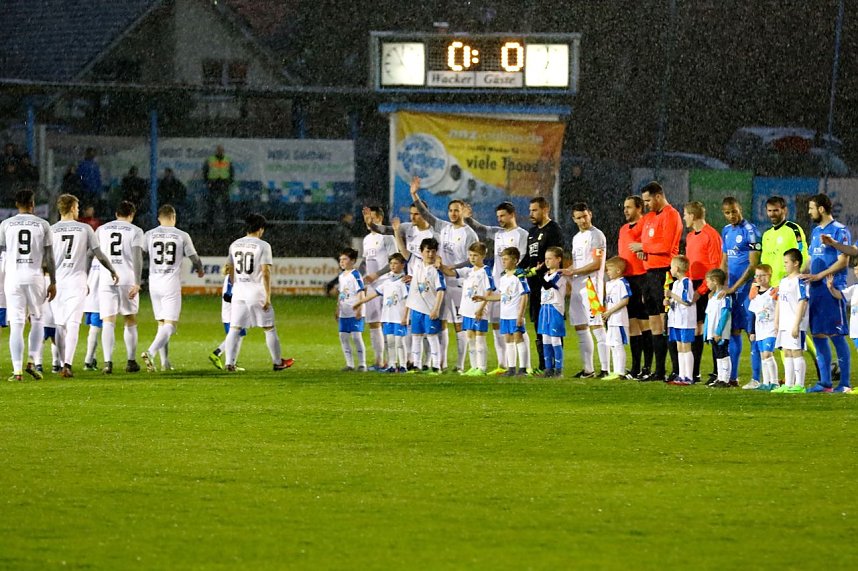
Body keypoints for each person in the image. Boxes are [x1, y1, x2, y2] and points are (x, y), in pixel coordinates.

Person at [411, 175, 478, 372]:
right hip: (441, 283)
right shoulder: (444, 228)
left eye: (456, 210)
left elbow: (471, 259)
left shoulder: (469, 234)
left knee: (459, 325)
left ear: (463, 212)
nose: (452, 213)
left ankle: (459, 365)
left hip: (458, 284)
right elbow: (426, 214)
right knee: (440, 324)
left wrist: (452, 270)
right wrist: (414, 194)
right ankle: (441, 363)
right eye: (450, 210)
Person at [50, 194, 118, 378]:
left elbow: (45, 259)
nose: (79, 210)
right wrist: (112, 270)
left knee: (59, 325)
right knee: (73, 324)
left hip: (57, 283)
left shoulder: (51, 229)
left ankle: (56, 362)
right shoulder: (85, 229)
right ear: (72, 208)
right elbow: (99, 254)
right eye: (77, 207)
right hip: (77, 282)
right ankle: (67, 365)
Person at [223, 213, 294, 372]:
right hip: (256, 291)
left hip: (239, 292)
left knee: (235, 328)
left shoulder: (235, 244)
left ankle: (229, 363)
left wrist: (234, 286)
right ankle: (277, 362)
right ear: (261, 229)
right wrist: (268, 296)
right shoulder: (263, 246)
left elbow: (229, 268)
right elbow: (266, 271)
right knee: (269, 328)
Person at [465, 203, 530, 374]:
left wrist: (513, 275)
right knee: (498, 326)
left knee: (518, 327)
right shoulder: (498, 233)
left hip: (512, 285)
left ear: (512, 215)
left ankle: (526, 365)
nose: (499, 219)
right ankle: (503, 365)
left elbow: (521, 257)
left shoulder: (522, 234)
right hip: (498, 285)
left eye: (502, 216)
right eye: (498, 216)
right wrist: (468, 218)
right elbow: (481, 228)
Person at [139, 205, 205, 373]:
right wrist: (199, 268)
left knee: (162, 323)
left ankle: (165, 362)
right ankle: (150, 352)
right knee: (171, 325)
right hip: (170, 283)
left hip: (154, 282)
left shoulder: (150, 234)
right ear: (173, 217)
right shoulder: (182, 235)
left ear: (159, 218)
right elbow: (194, 257)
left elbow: (140, 252)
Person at [628, 181, 683, 381]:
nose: (647, 204)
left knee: (666, 322)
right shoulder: (650, 218)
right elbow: (650, 244)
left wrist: (643, 247)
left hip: (664, 272)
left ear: (658, 196)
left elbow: (666, 245)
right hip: (649, 274)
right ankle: (658, 371)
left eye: (648, 200)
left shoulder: (672, 215)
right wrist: (644, 252)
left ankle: (678, 370)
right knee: (654, 323)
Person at [0, 190, 57, 381]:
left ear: (17, 204)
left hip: (13, 278)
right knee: (37, 319)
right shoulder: (43, 224)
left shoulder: (5, 225)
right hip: (35, 277)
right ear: (33, 204)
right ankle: (32, 361)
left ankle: (17, 372)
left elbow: (2, 253)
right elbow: (49, 256)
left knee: (16, 324)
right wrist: (53, 282)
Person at [801, 194, 852, 393]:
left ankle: (845, 383)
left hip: (832, 288)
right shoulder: (815, 232)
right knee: (819, 335)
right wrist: (798, 273)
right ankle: (825, 383)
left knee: (836, 335)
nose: (809, 211)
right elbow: (812, 258)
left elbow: (843, 261)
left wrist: (819, 276)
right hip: (815, 290)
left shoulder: (839, 231)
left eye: (811, 208)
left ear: (821, 209)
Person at [96, 201, 145, 374]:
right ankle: (131, 361)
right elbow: (138, 257)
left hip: (107, 278)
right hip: (127, 278)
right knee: (129, 319)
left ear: (116, 213)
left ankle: (107, 363)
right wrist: (138, 282)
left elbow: (94, 252)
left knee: (108, 321)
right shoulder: (136, 231)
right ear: (132, 215)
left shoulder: (102, 229)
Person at [561, 202, 608, 378]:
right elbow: (579, 263)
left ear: (590, 214)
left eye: (585, 216)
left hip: (591, 286)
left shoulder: (597, 236)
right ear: (574, 219)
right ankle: (588, 369)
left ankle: (605, 369)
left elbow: (596, 264)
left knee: (597, 325)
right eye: (578, 218)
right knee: (581, 326)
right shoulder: (576, 238)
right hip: (577, 286)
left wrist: (574, 271)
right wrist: (567, 271)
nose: (582, 220)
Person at [719, 197, 761, 386]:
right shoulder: (726, 231)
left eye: (734, 211)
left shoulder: (751, 231)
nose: (731, 216)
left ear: (740, 209)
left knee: (752, 333)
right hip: (731, 290)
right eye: (727, 213)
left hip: (747, 290)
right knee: (734, 331)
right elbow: (724, 260)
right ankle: (733, 378)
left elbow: (753, 265)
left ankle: (756, 378)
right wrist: (721, 284)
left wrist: (734, 288)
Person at [523, 196, 564, 374]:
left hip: (548, 286)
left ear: (545, 209)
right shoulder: (532, 232)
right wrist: (518, 269)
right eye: (530, 210)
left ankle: (556, 366)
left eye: (534, 210)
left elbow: (555, 258)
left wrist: (540, 273)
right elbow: (528, 257)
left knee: (552, 328)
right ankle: (544, 365)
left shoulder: (553, 230)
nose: (531, 214)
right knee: (539, 325)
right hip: (534, 285)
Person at [683, 201, 723, 383]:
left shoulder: (711, 235)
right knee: (697, 329)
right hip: (694, 284)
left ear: (692, 215)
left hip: (706, 286)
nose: (684, 218)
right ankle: (695, 372)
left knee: (712, 329)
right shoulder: (691, 236)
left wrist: (704, 289)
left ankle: (718, 372)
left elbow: (715, 266)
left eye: (685, 214)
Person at [473, 247, 530, 376]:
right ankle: (511, 369)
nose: (503, 262)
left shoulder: (519, 275)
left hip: (515, 314)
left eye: (506, 259)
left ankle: (523, 369)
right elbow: (501, 296)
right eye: (502, 259)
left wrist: (520, 315)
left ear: (515, 260)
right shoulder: (503, 277)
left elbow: (524, 295)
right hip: (505, 315)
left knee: (518, 338)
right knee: (508, 340)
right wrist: (484, 297)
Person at [353, 253, 410, 373]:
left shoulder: (404, 282)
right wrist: (360, 302)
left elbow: (407, 301)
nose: (393, 266)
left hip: (399, 318)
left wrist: (405, 317)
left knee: (399, 342)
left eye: (396, 263)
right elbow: (374, 294)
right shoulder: (387, 281)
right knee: (390, 342)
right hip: (388, 317)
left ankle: (403, 365)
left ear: (402, 265)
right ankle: (392, 365)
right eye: (391, 263)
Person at [445, 242, 494, 376]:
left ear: (483, 255)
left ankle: (482, 368)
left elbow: (490, 291)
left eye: (475, 255)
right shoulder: (468, 271)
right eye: (471, 255)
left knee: (479, 338)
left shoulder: (485, 271)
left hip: (478, 310)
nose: (472, 258)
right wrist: (439, 264)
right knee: (470, 338)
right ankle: (473, 367)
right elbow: (450, 272)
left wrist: (481, 308)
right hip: (467, 310)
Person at [359, 205, 398, 369]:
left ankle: (393, 361)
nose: (369, 221)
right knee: (374, 323)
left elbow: (394, 261)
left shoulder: (387, 237)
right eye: (367, 218)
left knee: (389, 322)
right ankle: (379, 361)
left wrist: (376, 275)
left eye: (372, 218)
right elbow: (364, 261)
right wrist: (359, 275)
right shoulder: (367, 239)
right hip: (371, 286)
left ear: (380, 219)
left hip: (386, 284)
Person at [618, 196, 651, 379]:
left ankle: (647, 367)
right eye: (624, 207)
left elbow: (651, 244)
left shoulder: (646, 224)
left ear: (639, 208)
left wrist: (644, 250)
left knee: (645, 323)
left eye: (629, 207)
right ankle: (636, 366)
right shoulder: (623, 229)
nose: (625, 210)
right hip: (627, 279)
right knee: (632, 324)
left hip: (642, 277)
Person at [404, 238, 446, 375]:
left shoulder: (436, 270)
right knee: (416, 336)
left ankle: (436, 367)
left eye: (433, 251)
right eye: (427, 251)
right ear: (421, 252)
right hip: (416, 308)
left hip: (430, 309)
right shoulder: (417, 265)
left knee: (432, 337)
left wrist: (436, 309)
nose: (430, 254)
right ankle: (416, 365)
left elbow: (441, 290)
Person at [773, 249, 809, 393]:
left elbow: (802, 301)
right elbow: (780, 302)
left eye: (787, 262)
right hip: (784, 323)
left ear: (796, 263)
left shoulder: (799, 280)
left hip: (795, 323)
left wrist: (796, 324)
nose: (784, 265)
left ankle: (799, 385)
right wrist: (776, 321)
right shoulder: (783, 281)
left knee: (796, 351)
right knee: (787, 351)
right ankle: (788, 384)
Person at [538, 246, 569, 378]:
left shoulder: (560, 275)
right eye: (546, 259)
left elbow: (548, 285)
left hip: (555, 309)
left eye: (550, 258)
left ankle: (558, 370)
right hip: (544, 308)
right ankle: (548, 369)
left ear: (558, 259)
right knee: (545, 339)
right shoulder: (546, 275)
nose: (547, 261)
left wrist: (537, 273)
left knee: (555, 340)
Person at [747, 264, 779, 391]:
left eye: (762, 275)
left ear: (769, 276)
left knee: (767, 354)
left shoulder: (773, 293)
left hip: (771, 328)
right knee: (762, 356)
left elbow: (779, 309)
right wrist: (752, 331)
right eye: (757, 276)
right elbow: (754, 314)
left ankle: (775, 382)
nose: (759, 278)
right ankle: (766, 382)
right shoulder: (755, 295)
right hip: (760, 329)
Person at [664, 255, 696, 385]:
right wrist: (669, 302)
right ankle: (681, 375)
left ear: (676, 268)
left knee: (686, 346)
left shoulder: (686, 282)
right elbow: (677, 301)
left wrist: (671, 295)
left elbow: (687, 301)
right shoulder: (676, 283)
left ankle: (688, 376)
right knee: (679, 347)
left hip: (685, 321)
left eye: (671, 267)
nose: (670, 269)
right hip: (676, 320)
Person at [208, 267, 247, 372]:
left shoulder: (233, 277)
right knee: (236, 335)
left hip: (232, 312)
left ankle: (231, 364)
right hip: (231, 313)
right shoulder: (231, 277)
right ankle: (218, 353)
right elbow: (227, 296)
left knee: (239, 335)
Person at [335, 247, 367, 372]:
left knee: (356, 337)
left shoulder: (355, 274)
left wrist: (359, 308)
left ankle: (362, 364)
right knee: (343, 337)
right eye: (340, 259)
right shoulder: (342, 276)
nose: (342, 262)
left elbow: (361, 292)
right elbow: (341, 293)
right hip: (344, 312)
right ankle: (350, 364)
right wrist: (337, 308)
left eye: (344, 259)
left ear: (352, 261)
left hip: (354, 311)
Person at [827, 265, 858, 392]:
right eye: (855, 270)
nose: (856, 272)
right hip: (856, 331)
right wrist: (831, 288)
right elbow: (840, 295)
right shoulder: (855, 288)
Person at [601, 256, 632, 380]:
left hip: (619, 319)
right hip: (611, 319)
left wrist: (610, 312)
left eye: (609, 269)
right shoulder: (609, 284)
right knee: (612, 344)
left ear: (618, 271)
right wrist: (605, 313)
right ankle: (615, 371)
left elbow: (625, 300)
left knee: (618, 344)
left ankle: (620, 371)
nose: (607, 272)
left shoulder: (622, 283)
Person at [703, 269, 733, 388]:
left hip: (720, 333)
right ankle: (720, 378)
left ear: (715, 281)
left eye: (708, 281)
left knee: (723, 353)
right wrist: (706, 333)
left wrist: (718, 331)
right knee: (717, 355)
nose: (707, 284)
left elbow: (725, 314)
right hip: (713, 333)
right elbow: (708, 316)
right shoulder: (712, 298)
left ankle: (725, 379)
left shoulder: (724, 297)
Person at [202, 145, 234, 224]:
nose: (220, 152)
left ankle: (228, 221)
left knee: (226, 204)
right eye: (218, 150)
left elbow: (231, 171)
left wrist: (229, 182)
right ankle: (210, 222)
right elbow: (205, 171)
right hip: (213, 183)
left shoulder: (227, 159)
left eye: (221, 150)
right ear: (216, 151)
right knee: (212, 203)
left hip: (224, 183)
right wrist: (207, 181)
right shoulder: (210, 159)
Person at [82, 259, 102, 370]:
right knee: (95, 329)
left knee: (92, 329)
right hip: (98, 299)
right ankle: (88, 361)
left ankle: (92, 359)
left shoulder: (92, 257)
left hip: (88, 297)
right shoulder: (106, 257)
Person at [77, 147, 103, 212]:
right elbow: (80, 177)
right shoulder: (91, 165)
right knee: (89, 205)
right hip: (88, 191)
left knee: (89, 205)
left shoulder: (92, 165)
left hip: (89, 191)